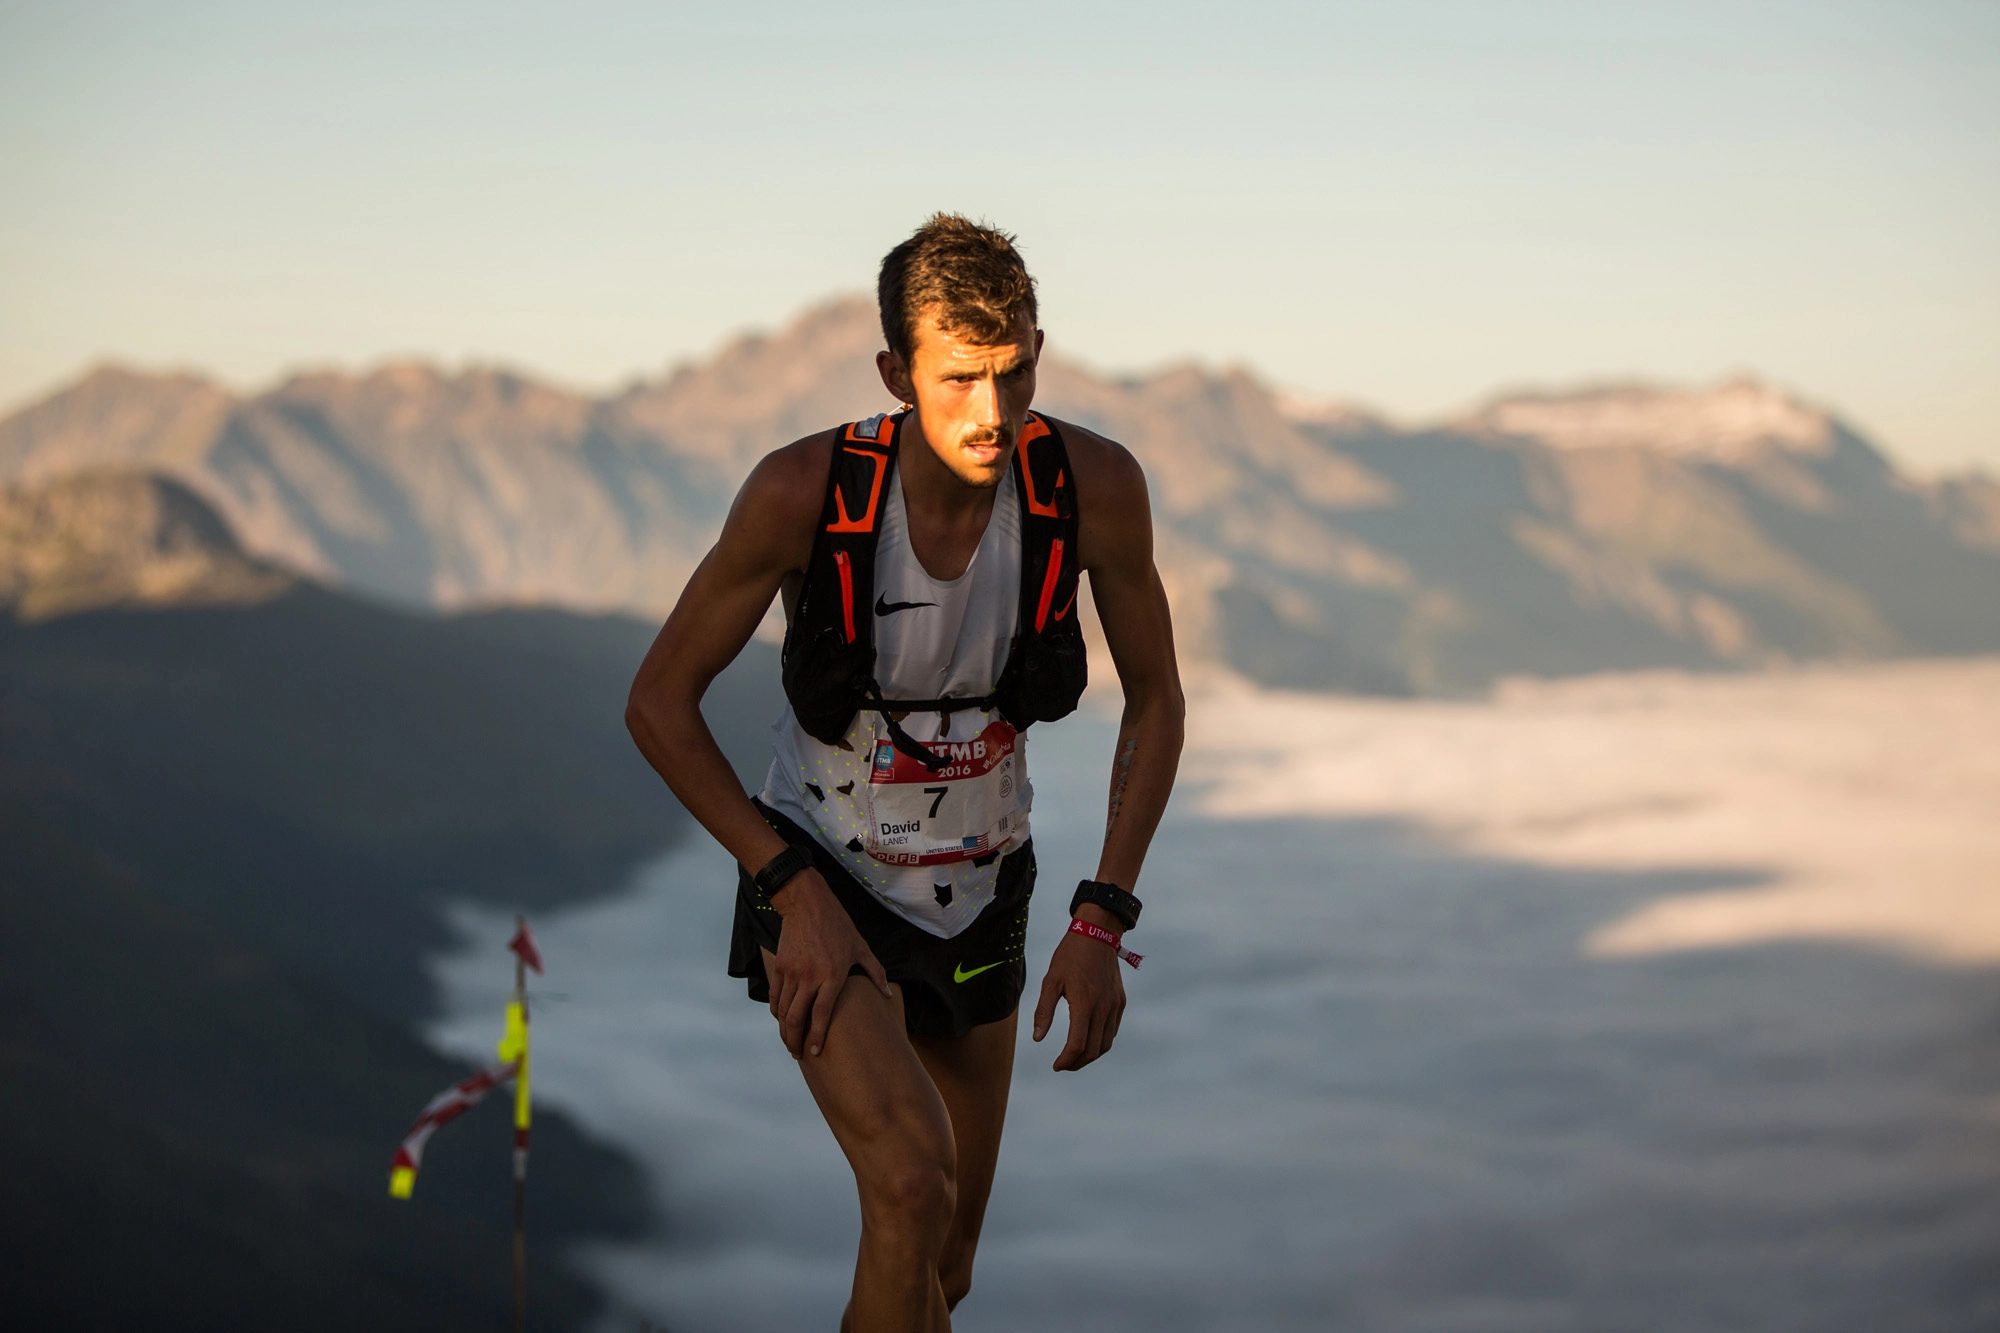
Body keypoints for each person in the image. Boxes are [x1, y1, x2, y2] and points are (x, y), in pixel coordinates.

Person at [626, 214, 1184, 1331]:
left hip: (984, 894)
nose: (992, 410)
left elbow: (1157, 699)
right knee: (909, 1185)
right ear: (896, 372)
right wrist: (784, 888)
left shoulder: (1091, 488)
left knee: (947, 1266)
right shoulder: (804, 495)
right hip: (820, 881)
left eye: (1015, 370)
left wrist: (1101, 915)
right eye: (960, 377)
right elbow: (656, 703)